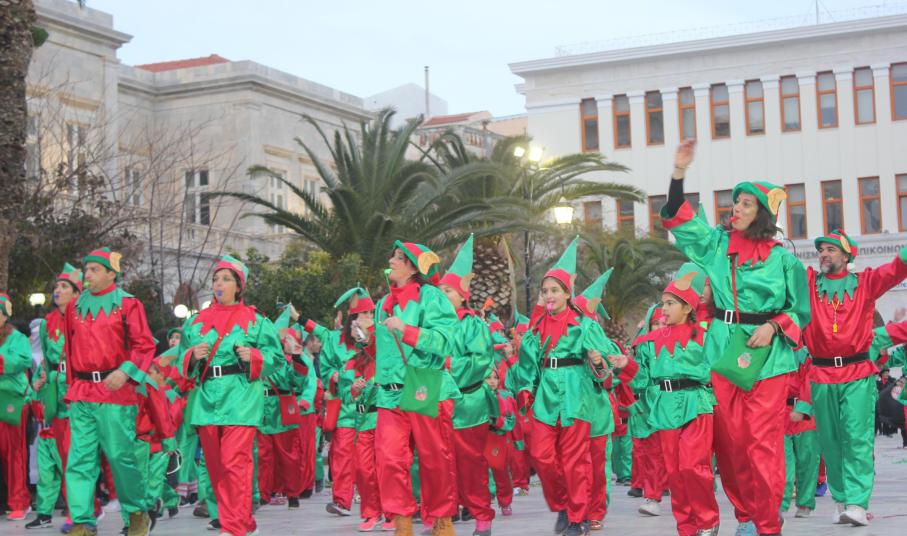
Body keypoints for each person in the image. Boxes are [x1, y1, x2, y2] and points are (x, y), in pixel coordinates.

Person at [662, 142, 810, 536]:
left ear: (762, 214)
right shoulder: (716, 246)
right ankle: (745, 515)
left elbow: (801, 311)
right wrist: (678, 173)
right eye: (736, 203)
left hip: (769, 358)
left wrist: (774, 326)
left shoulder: (785, 260)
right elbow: (678, 217)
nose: (737, 209)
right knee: (729, 445)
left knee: (763, 444)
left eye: (746, 204)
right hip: (725, 353)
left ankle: (767, 523)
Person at [514, 238, 621, 536]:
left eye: (554, 290)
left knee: (575, 462)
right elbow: (526, 369)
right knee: (541, 455)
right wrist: (526, 392)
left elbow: (607, 368)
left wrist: (598, 362)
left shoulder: (585, 326)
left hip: (577, 398)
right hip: (546, 400)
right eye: (545, 291)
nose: (549, 295)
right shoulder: (536, 330)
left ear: (566, 293)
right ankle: (563, 504)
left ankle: (577, 518)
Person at [802, 230, 907, 526]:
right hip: (821, 374)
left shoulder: (866, 283)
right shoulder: (809, 283)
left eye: (831, 249)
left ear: (847, 255)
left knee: (856, 437)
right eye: (821, 249)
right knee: (830, 440)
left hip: (857, 372)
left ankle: (857, 502)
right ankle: (841, 499)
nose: (824, 254)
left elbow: (896, 268)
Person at [175, 255, 283, 536]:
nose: (219, 284)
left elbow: (276, 359)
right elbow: (179, 361)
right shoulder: (195, 322)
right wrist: (191, 356)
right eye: (215, 279)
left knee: (234, 462)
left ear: (239, 286)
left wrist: (255, 356)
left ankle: (233, 527)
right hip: (207, 398)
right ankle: (241, 522)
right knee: (214, 468)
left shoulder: (257, 321)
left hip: (241, 397)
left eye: (226, 279)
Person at [62, 248, 158, 536]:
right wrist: (70, 388)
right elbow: (69, 348)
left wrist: (125, 372)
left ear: (110, 274)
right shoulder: (74, 307)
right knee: (79, 458)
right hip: (82, 391)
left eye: (94, 269)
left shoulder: (128, 304)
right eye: (86, 269)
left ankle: (137, 514)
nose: (87, 274)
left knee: (119, 456)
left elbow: (144, 345)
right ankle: (82, 521)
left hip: (114, 390)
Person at [372, 241, 460, 536]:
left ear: (414, 266)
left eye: (399, 257)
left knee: (434, 457)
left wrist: (406, 330)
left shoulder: (431, 297)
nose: (391, 261)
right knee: (388, 458)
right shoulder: (383, 304)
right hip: (390, 393)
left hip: (425, 385)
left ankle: (442, 520)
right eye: (392, 256)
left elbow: (445, 341)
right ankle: (402, 523)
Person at [635, 270, 719, 536]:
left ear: (687, 308)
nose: (664, 308)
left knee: (693, 466)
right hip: (666, 406)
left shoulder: (705, 335)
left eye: (670, 303)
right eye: (663, 303)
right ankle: (686, 527)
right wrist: (621, 365)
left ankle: (707, 521)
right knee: (674, 472)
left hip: (696, 403)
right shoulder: (649, 342)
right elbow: (639, 378)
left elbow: (717, 370)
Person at [438, 235, 497, 536]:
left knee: (471, 463)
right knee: (439, 464)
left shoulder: (472, 324)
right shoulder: (433, 326)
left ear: (463, 296)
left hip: (468, 404)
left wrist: (448, 366)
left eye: (448, 291)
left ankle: (482, 516)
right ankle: (443, 519)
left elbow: (481, 360)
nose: (443, 295)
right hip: (438, 405)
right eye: (440, 291)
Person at [0, 293, 34, 521]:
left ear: (5, 315)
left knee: (14, 452)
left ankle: (20, 501)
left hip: (12, 399)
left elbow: (23, 360)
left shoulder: (17, 338)